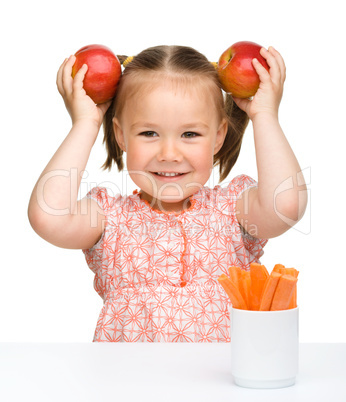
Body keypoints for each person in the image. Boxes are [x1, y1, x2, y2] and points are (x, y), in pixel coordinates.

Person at [28, 45, 307, 342]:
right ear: (122, 135)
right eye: (149, 133)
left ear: (218, 137)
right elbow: (48, 217)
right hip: (129, 384)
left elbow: (285, 205)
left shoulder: (232, 211)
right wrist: (86, 123)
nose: (169, 154)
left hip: (221, 386)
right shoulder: (109, 218)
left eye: (190, 134)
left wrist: (264, 116)